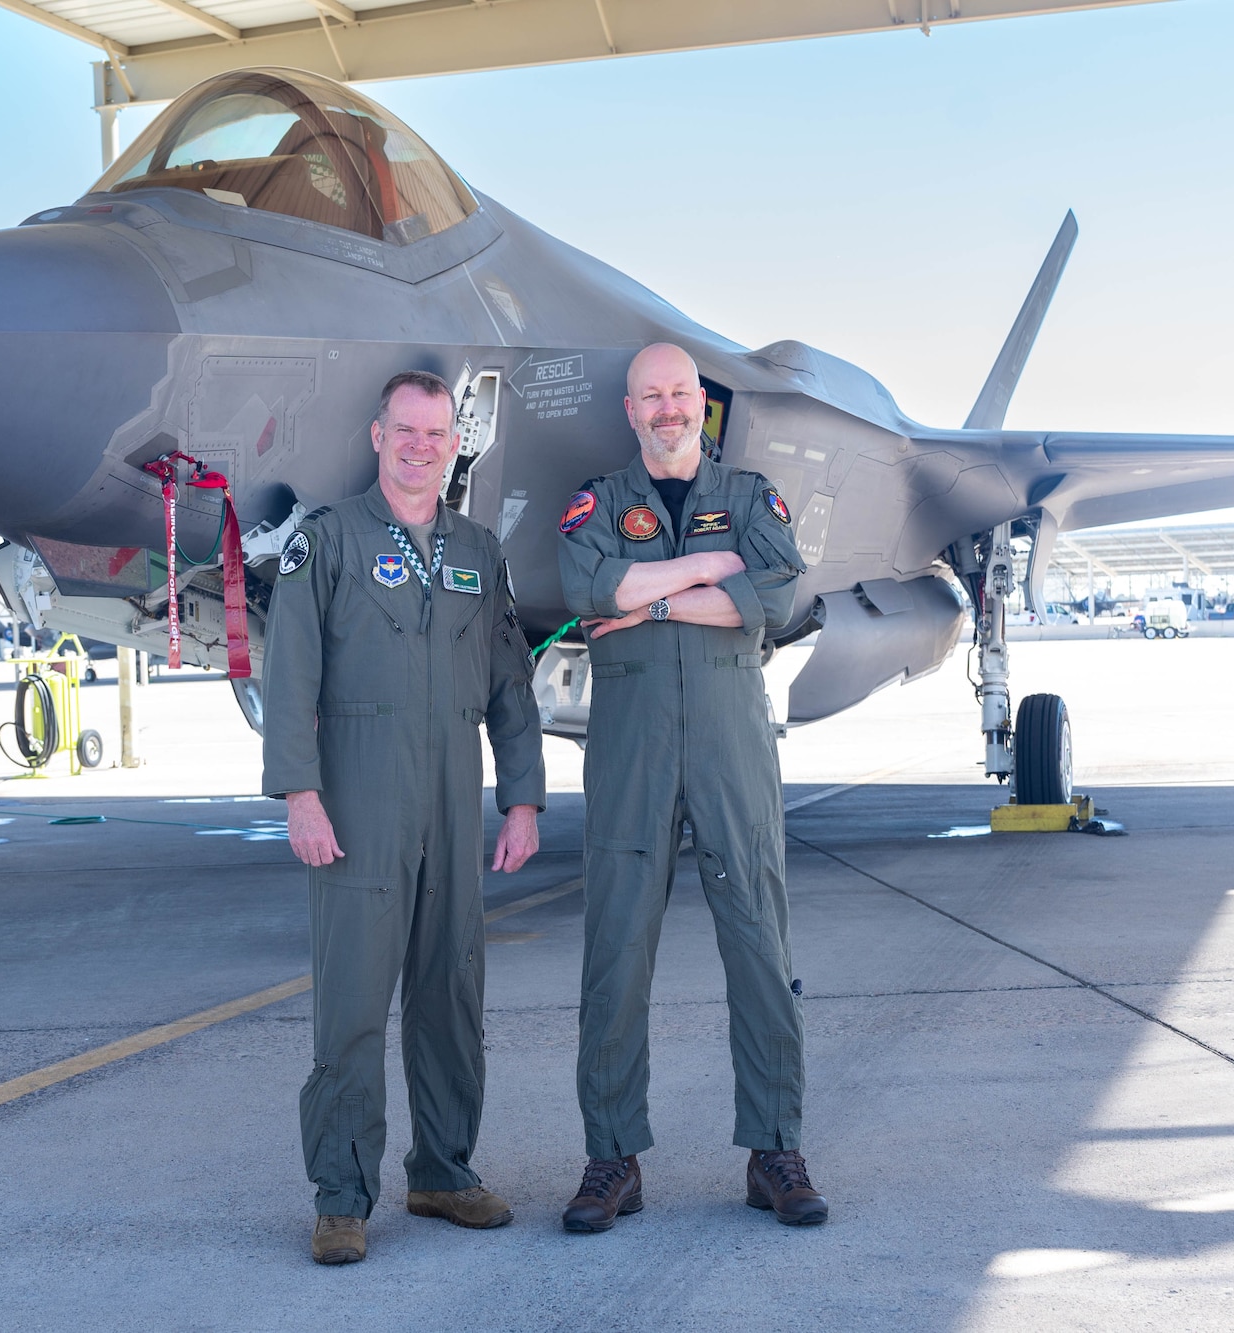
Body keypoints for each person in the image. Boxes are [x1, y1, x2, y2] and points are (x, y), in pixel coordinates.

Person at [263, 369, 546, 1265]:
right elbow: (290, 673)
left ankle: (443, 1171)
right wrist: (299, 793)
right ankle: (342, 1196)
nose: (423, 446)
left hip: (453, 798)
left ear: (453, 444)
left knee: (452, 994)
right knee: (351, 1001)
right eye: (407, 431)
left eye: (438, 433)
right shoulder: (329, 539)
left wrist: (523, 796)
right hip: (356, 797)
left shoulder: (478, 549)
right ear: (378, 437)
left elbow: (510, 682)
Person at [553, 341, 829, 1230]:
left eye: (680, 393)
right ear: (630, 409)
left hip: (729, 744)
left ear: (699, 406)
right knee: (615, 951)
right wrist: (715, 573)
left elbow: (776, 594)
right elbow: (596, 586)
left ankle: (775, 1149)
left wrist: (655, 602)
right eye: (651, 395)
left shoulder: (750, 498)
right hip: (631, 749)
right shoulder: (599, 502)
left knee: (759, 940)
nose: (667, 408)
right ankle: (611, 1159)